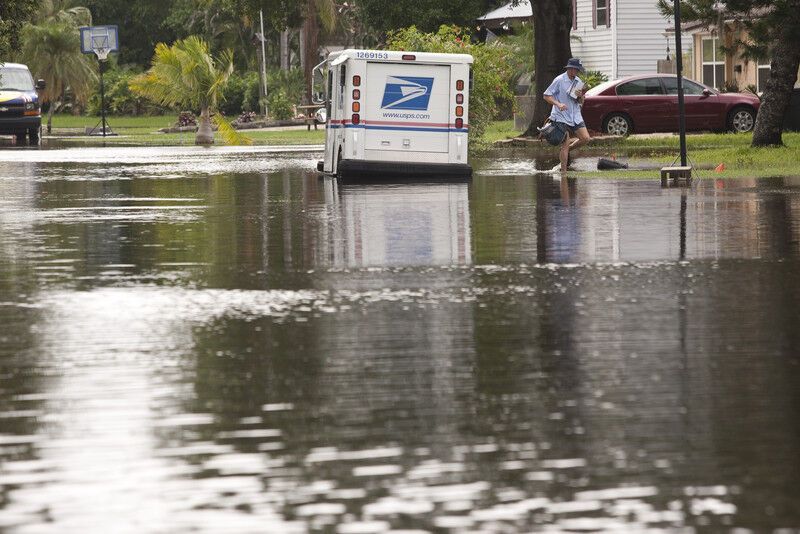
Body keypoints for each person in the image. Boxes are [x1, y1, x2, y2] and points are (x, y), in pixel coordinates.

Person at [543, 58, 591, 172]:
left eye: (578, 70)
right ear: (570, 68)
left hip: (575, 115)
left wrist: (580, 96)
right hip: (561, 116)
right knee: (564, 144)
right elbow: (546, 95)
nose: (577, 72)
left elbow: (580, 102)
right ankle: (563, 171)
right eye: (576, 69)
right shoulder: (559, 80)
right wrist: (558, 104)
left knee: (585, 138)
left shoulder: (578, 81)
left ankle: (567, 149)